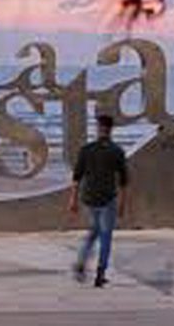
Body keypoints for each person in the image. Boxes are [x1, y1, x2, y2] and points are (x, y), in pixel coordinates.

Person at [68, 115, 129, 288]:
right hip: (107, 199)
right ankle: (100, 273)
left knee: (94, 232)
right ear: (111, 129)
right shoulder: (116, 151)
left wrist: (73, 199)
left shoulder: (86, 150)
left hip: (89, 198)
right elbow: (123, 181)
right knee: (105, 236)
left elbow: (76, 177)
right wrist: (122, 204)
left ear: (98, 128)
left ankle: (81, 262)